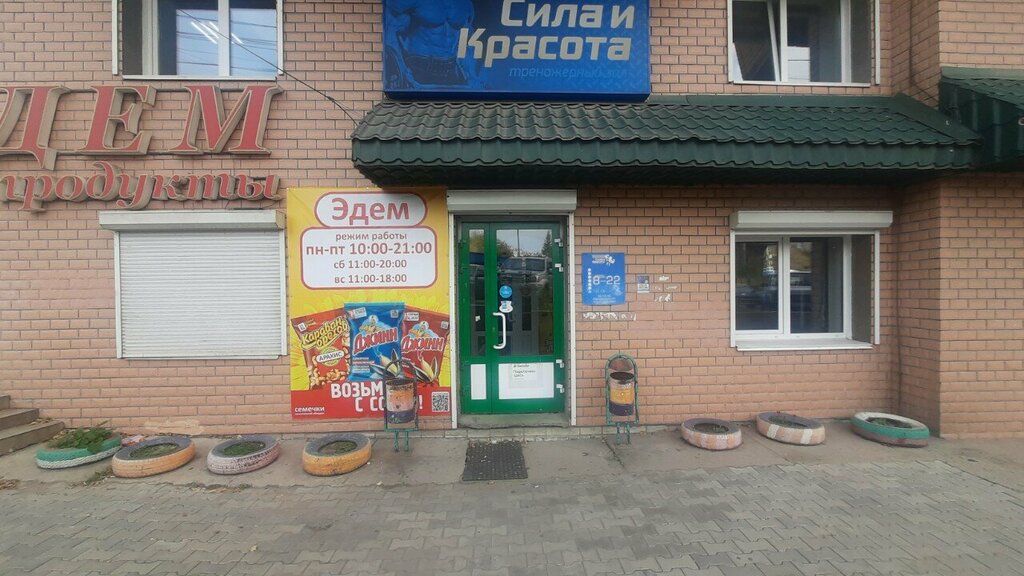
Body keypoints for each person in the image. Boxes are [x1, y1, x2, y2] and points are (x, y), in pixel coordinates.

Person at [384, 0, 480, 88]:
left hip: (451, 69)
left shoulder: (465, 4)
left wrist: (471, 72)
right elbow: (390, 30)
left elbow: (468, 38)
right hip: (417, 69)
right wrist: (401, 69)